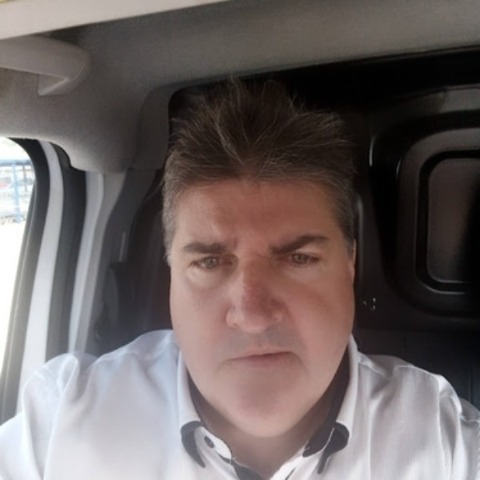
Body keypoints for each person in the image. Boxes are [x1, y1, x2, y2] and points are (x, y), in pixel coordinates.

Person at [0, 79, 478, 480]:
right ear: (171, 273)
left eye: (299, 258)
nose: (252, 315)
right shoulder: (63, 423)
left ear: (350, 264)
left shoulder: (443, 441)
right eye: (209, 263)